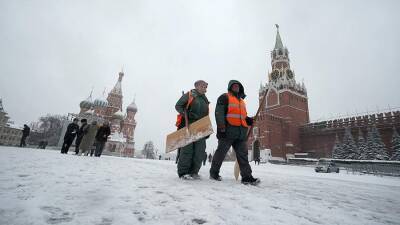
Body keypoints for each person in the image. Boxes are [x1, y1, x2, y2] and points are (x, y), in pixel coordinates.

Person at [209, 80, 260, 185]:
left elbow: (242, 117)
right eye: (234, 86)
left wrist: (249, 120)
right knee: (221, 153)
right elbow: (219, 113)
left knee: (243, 155)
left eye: (238, 86)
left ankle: (247, 177)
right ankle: (214, 173)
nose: (236, 87)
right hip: (227, 132)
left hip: (241, 133)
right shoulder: (224, 97)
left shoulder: (242, 101)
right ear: (230, 87)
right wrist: (221, 128)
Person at [175, 80, 210, 180]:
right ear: (197, 86)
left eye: (206, 87)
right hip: (188, 125)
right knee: (187, 149)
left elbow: (206, 115)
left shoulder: (205, 100)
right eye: (203, 86)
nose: (205, 89)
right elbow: (178, 106)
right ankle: (183, 172)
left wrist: (207, 129)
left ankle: (194, 172)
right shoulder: (189, 95)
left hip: (200, 127)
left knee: (200, 150)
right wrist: (185, 113)